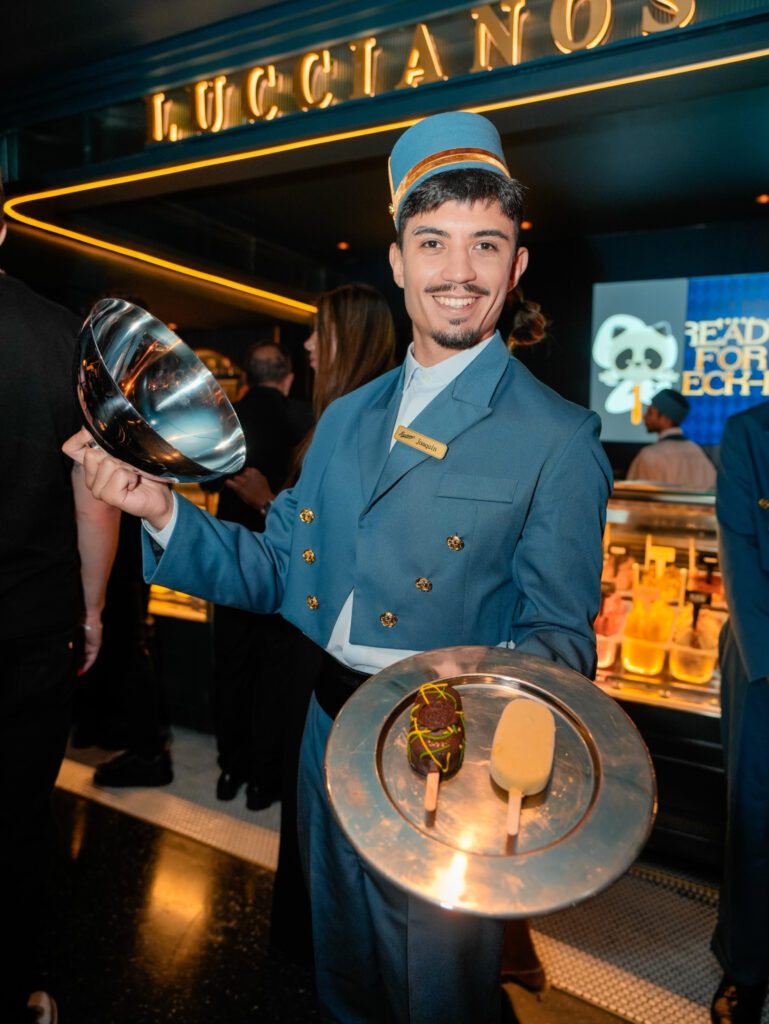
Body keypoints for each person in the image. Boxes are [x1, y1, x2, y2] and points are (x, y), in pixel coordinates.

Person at [65, 111, 611, 1024]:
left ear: (516, 265)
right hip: (326, 731)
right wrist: (157, 508)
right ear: (397, 260)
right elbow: (277, 570)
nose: (459, 271)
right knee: (341, 975)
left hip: (442, 757)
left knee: (437, 989)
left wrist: (484, 745)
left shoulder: (558, 438)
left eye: (485, 244)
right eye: (431, 242)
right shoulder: (350, 416)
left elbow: (559, 640)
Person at [0, 177, 120, 1022]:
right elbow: (96, 498)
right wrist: (92, 609)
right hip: (29, 628)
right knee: (14, 822)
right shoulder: (60, 335)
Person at [211, 341, 312, 808]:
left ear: (247, 379)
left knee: (231, 667)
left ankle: (231, 767)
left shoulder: (227, 416)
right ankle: (262, 781)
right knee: (272, 673)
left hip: (231, 559)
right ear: (287, 378)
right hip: (279, 563)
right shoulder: (304, 419)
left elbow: (205, 477)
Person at [710, 400, 769, 1024]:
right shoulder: (751, 432)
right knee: (756, 822)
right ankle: (745, 967)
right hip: (763, 660)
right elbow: (742, 554)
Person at [626, 387, 716, 488]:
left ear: (665, 418)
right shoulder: (700, 454)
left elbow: (634, 494)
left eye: (650, 412)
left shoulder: (650, 455)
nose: (644, 417)